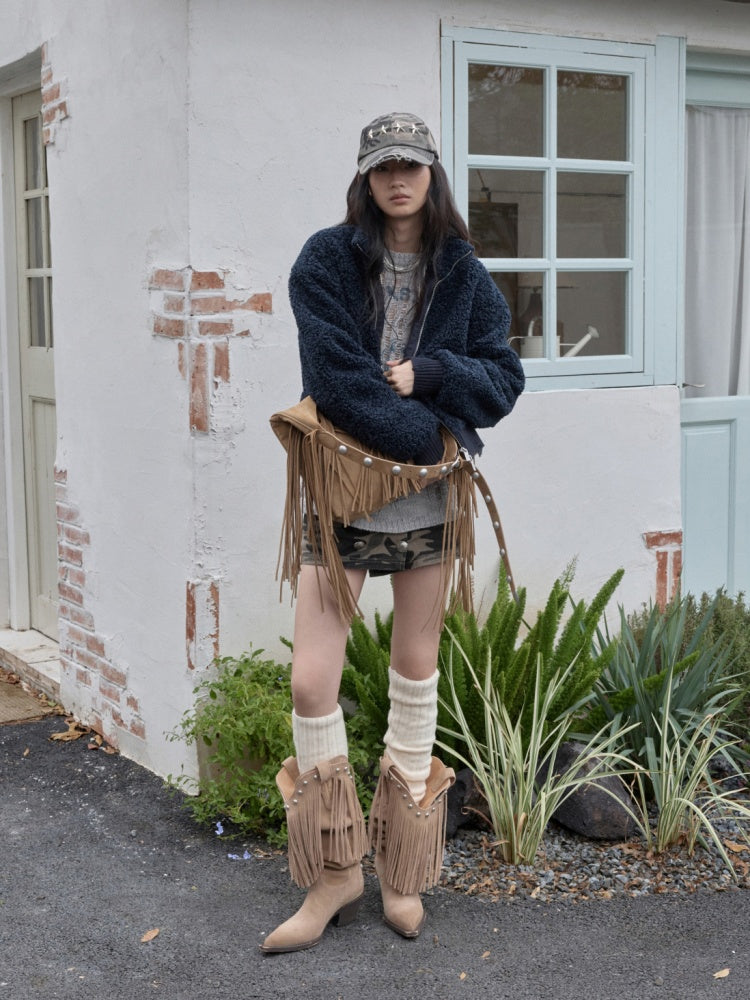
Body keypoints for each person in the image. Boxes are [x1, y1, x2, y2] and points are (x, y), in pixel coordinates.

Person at [260, 112, 525, 954]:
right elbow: (333, 377)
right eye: (383, 167)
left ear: (431, 173)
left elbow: (502, 380)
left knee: (415, 675)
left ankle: (403, 874)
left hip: (428, 511)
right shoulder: (325, 260)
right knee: (311, 683)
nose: (398, 179)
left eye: (411, 165)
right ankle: (334, 871)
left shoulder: (467, 276)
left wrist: (437, 375)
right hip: (340, 499)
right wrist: (422, 435)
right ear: (365, 178)